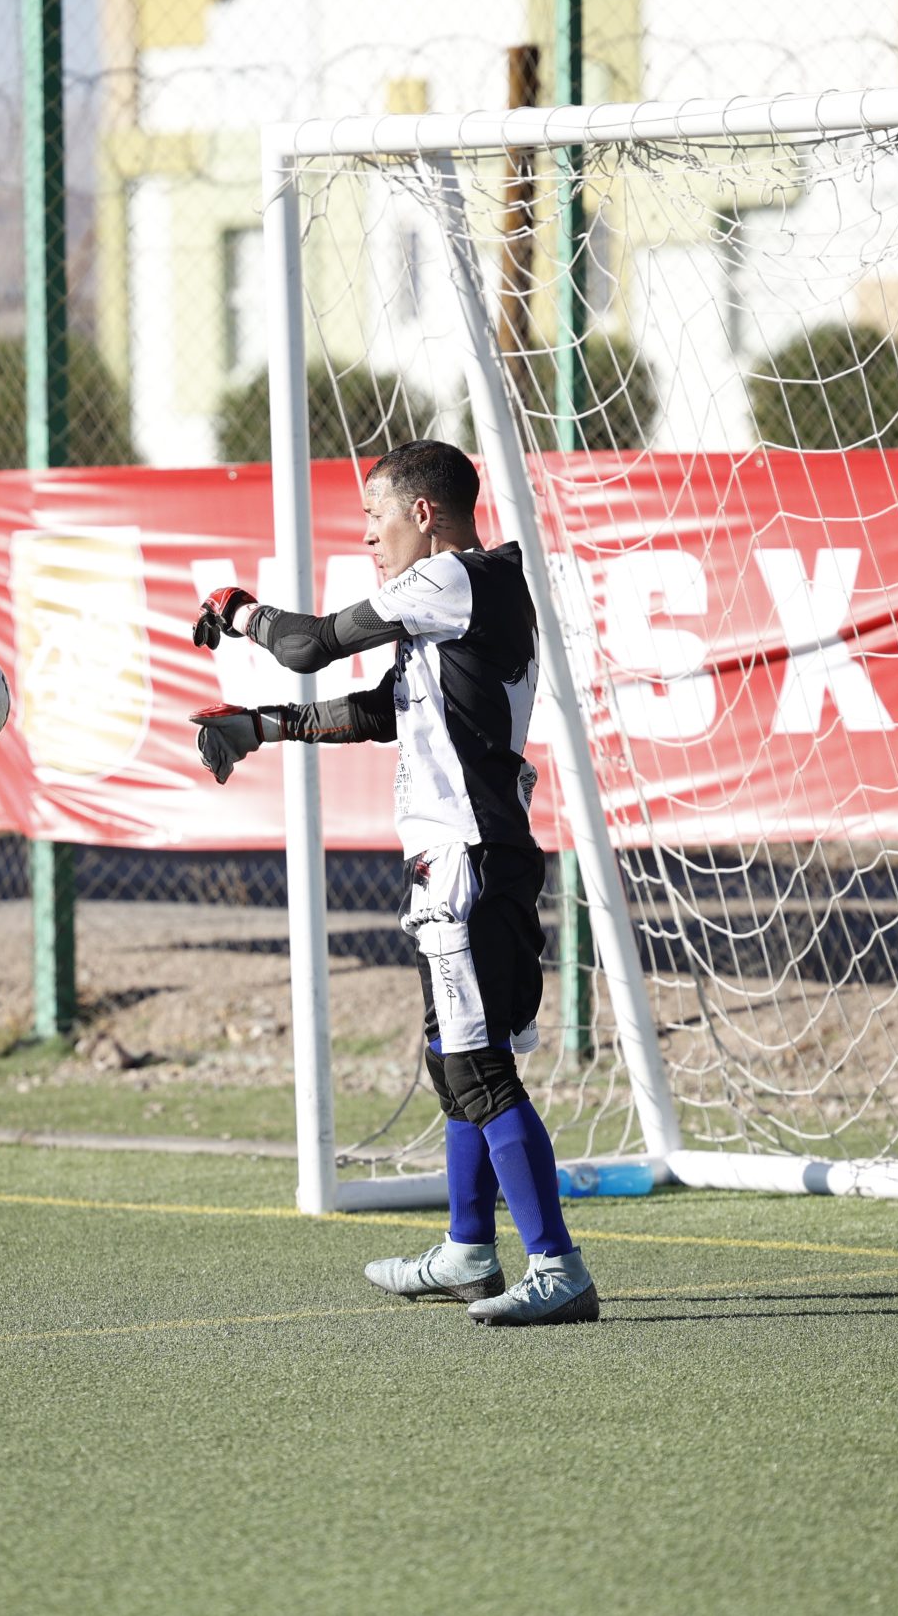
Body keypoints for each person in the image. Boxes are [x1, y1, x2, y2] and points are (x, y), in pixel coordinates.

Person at [187, 440, 597, 1327]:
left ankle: (557, 1266)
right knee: (454, 1061)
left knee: (478, 1068)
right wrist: (263, 725)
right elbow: (383, 709)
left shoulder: (453, 577)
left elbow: (309, 644)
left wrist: (237, 609)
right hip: (468, 857)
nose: (367, 536)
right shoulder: (466, 596)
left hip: (467, 859)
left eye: (375, 517)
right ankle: (469, 1250)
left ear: (422, 513)